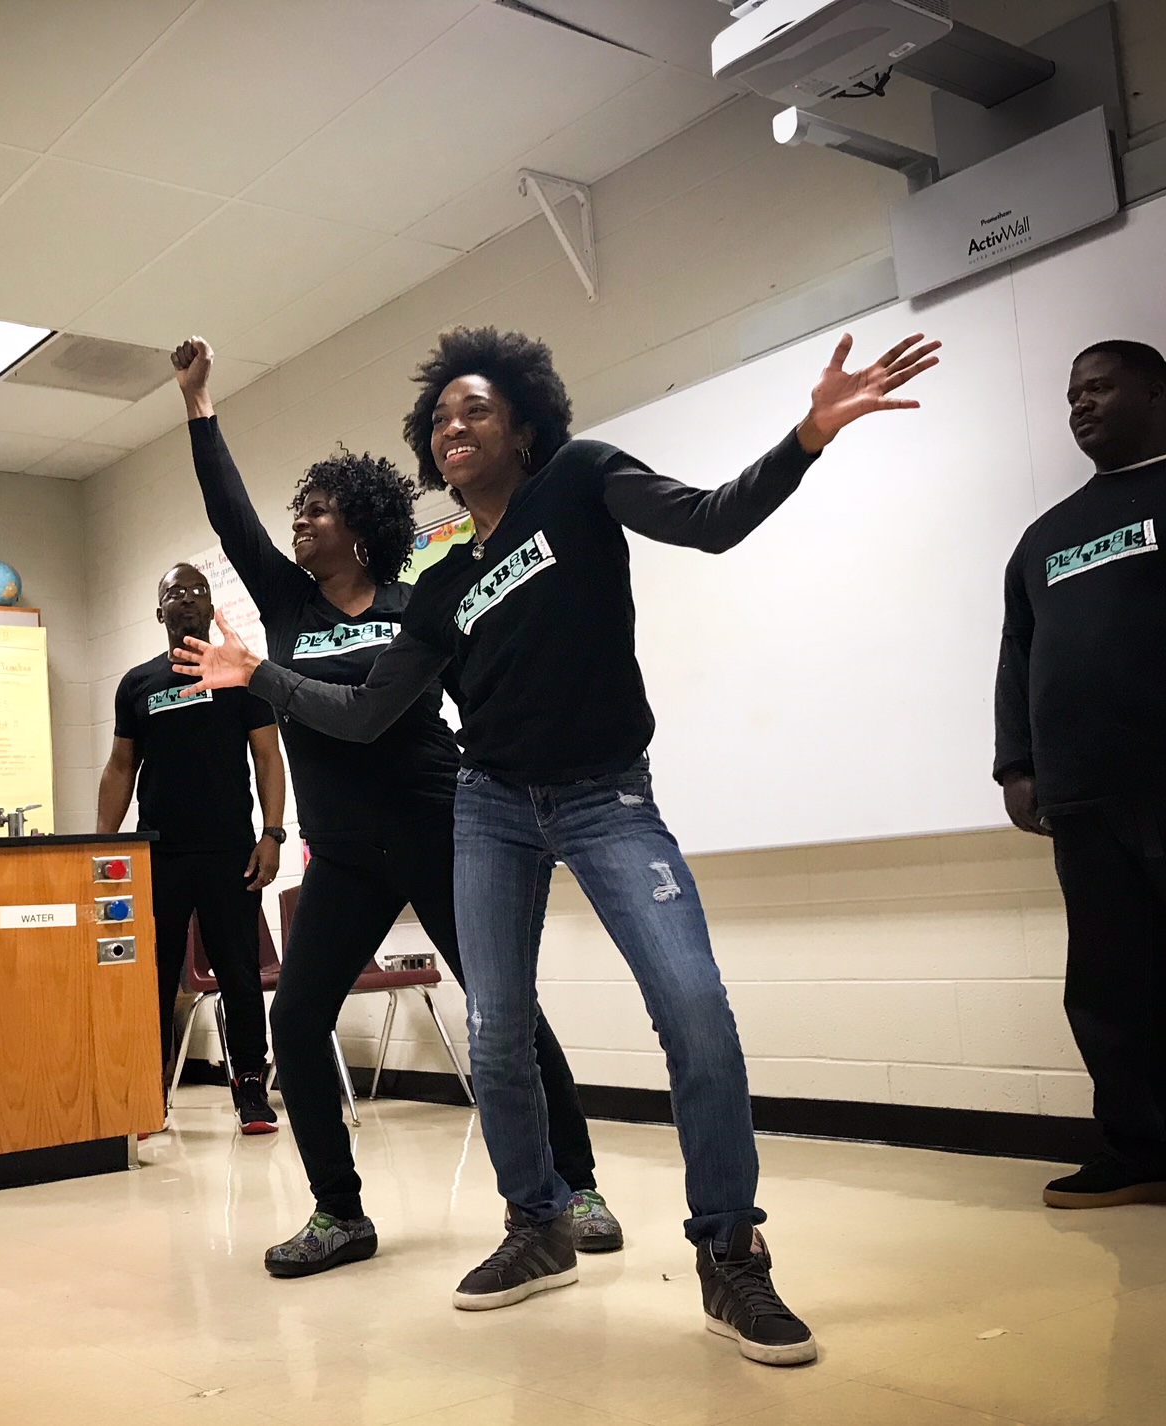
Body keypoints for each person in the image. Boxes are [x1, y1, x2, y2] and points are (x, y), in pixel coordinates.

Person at [173, 324, 938, 1364]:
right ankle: (534, 1226)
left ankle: (727, 1251)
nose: (453, 426)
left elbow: (710, 521)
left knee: (696, 1012)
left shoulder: (578, 481)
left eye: (475, 409)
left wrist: (806, 434)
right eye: (439, 417)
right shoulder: (443, 586)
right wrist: (255, 672)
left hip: (602, 797)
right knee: (495, 1028)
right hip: (486, 808)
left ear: (527, 424)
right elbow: (358, 716)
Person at [171, 335, 624, 1278]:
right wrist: (198, 406)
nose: (302, 521)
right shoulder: (288, 607)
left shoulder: (423, 601)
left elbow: (478, 690)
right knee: (296, 1021)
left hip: (444, 833)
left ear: (364, 526)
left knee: (506, 1015)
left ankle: (575, 1185)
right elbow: (231, 521)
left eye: (321, 509)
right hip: (342, 857)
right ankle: (340, 1214)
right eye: (300, 508)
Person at [995, 339, 1166, 1208]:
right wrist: (1017, 764)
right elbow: (1019, 654)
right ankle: (1143, 1153)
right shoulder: (1044, 537)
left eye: (1100, 386)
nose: (1080, 404)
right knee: (1112, 990)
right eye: (1072, 392)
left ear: (1155, 391)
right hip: (1085, 801)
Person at [98, 562, 287, 1134]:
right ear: (160, 612)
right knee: (152, 977)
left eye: (197, 591)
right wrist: (102, 850)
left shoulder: (239, 675)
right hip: (159, 853)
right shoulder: (138, 684)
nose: (187, 599)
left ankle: (251, 1087)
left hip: (231, 851)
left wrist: (273, 834)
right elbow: (120, 766)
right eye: (174, 593)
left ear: (210, 608)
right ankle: (146, 1090)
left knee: (238, 971)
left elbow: (268, 757)